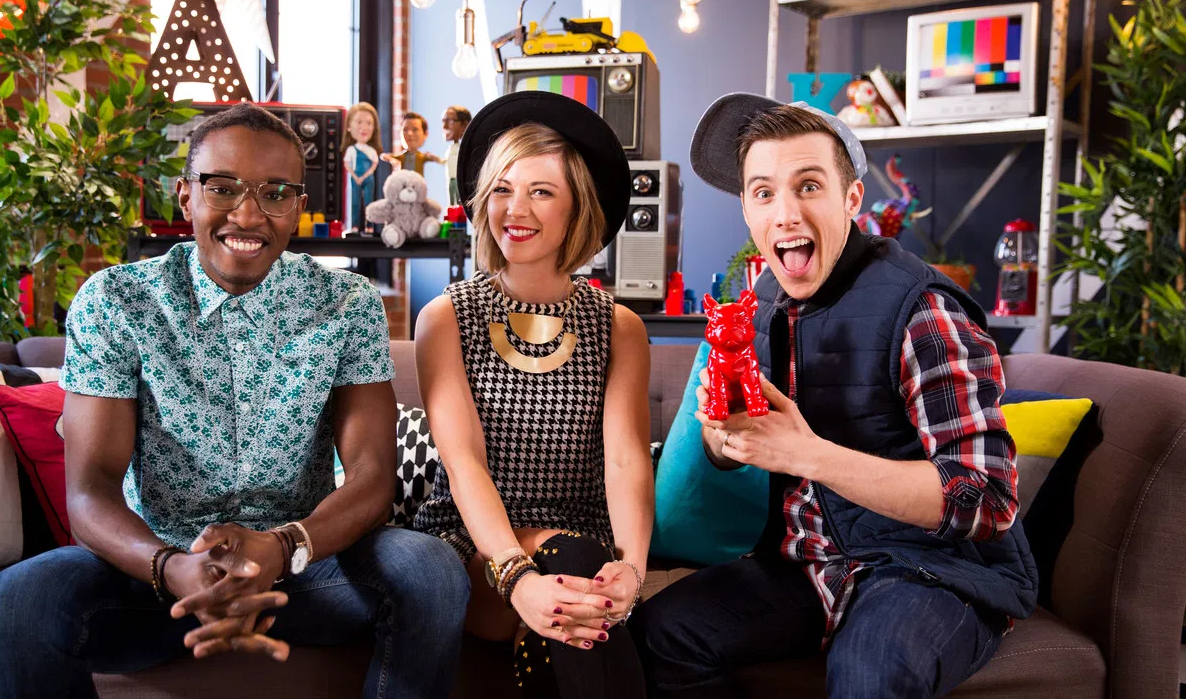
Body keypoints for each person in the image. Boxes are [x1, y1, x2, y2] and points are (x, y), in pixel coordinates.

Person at [0, 103, 469, 699]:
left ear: (298, 205)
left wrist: (284, 546)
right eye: (222, 187)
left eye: (275, 193)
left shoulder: (346, 303)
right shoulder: (117, 301)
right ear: (186, 196)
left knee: (430, 570)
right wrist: (172, 567)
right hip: (155, 576)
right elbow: (90, 488)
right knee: (17, 601)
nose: (248, 215)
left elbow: (372, 476)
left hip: (305, 570)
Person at [631, 95, 1037, 698]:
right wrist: (724, 440)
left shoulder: (923, 310)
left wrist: (807, 453)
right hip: (804, 566)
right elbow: (748, 450)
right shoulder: (763, 306)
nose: (785, 214)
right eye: (764, 192)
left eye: (809, 186)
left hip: (930, 570)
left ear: (851, 199)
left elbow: (986, 500)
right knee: (660, 635)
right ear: (746, 208)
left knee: (871, 673)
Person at [411, 91, 653, 698]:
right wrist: (518, 576)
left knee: (575, 594)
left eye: (541, 191)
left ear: (578, 208)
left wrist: (632, 569)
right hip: (474, 547)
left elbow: (626, 461)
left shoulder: (619, 327)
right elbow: (463, 463)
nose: (514, 209)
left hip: (583, 547)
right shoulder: (445, 318)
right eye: (501, 189)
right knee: (573, 575)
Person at [342, 102, 383, 234]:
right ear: (349, 127)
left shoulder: (371, 150)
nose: (364, 127)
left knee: (369, 202)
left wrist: (365, 176)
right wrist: (355, 177)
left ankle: (369, 227)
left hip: (368, 178)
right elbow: (347, 164)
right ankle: (354, 226)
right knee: (355, 202)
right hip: (355, 178)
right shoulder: (351, 149)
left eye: (369, 123)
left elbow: (374, 164)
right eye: (359, 122)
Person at [384, 111, 443, 176]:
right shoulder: (402, 156)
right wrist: (391, 160)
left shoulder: (421, 157)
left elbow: (440, 161)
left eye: (415, 130)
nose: (409, 134)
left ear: (425, 134)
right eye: (405, 130)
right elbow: (384, 156)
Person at [441, 104, 472, 206]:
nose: (444, 126)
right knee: (452, 202)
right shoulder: (451, 149)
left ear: (464, 125)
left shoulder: (465, 149)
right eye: (443, 121)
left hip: (460, 183)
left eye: (449, 121)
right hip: (451, 181)